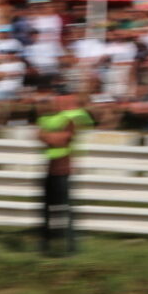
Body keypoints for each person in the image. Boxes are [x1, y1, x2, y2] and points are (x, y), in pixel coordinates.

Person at [35, 93, 92, 256]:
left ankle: (71, 246)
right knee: (46, 209)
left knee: (65, 209)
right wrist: (50, 136)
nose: (57, 104)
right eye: (57, 102)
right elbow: (40, 135)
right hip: (50, 169)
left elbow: (59, 139)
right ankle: (46, 246)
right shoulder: (49, 119)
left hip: (63, 170)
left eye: (61, 102)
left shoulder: (70, 120)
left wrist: (49, 136)